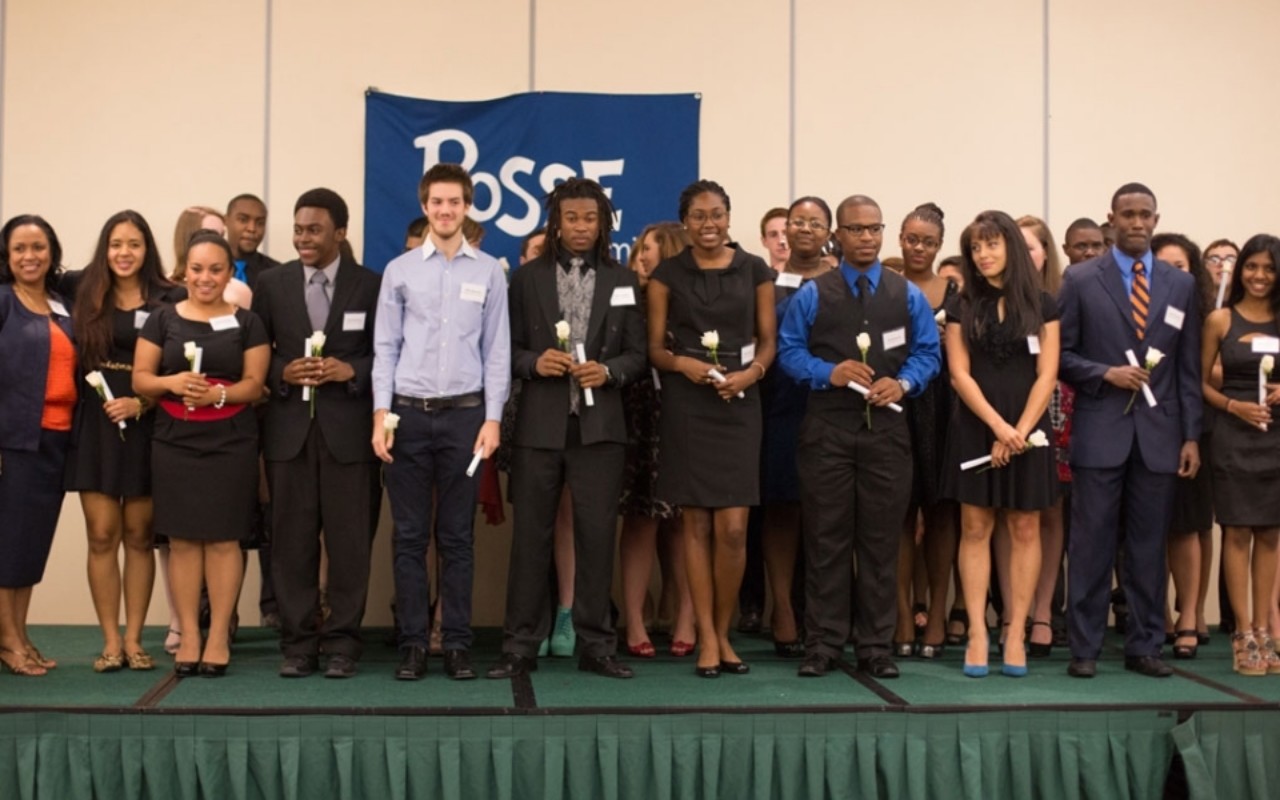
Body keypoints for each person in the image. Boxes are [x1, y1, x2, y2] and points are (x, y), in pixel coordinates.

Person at [778, 194, 941, 679]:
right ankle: (824, 644)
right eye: (855, 229)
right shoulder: (812, 293)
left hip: (888, 432)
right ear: (838, 236)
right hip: (826, 429)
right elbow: (787, 353)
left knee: (880, 541)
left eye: (873, 229)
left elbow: (929, 354)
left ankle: (875, 646)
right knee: (826, 539)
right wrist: (827, 371)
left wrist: (904, 381)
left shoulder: (906, 294)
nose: (866, 238)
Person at [488, 178, 643, 681]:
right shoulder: (525, 278)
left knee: (598, 537)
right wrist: (535, 363)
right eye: (571, 218)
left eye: (590, 218)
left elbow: (639, 355)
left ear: (604, 224)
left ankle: (597, 645)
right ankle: (519, 646)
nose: (580, 227)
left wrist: (611, 371)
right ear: (556, 221)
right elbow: (503, 351)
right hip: (539, 427)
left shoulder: (623, 280)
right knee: (529, 538)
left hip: (600, 428)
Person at [1058, 182, 1202, 679]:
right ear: (1110, 221)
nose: (1137, 223)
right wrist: (1104, 374)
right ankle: (1086, 648)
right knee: (1091, 545)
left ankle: (1145, 646)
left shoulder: (1180, 284)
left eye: (1145, 215)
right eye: (1128, 215)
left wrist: (1191, 436)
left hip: (1161, 436)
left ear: (1156, 221)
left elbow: (1187, 368)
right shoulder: (1079, 280)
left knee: (1147, 546)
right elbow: (1063, 357)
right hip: (1100, 431)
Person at [374, 164, 510, 681]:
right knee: (408, 536)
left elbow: (496, 350)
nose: (445, 210)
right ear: (425, 205)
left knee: (457, 538)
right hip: (407, 416)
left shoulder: (488, 273)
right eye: (436, 202)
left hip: (465, 419)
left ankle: (455, 643)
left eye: (454, 202)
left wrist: (492, 419)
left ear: (468, 206)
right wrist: (380, 416)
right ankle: (412, 643)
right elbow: (385, 348)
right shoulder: (400, 271)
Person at [647, 180, 776, 678]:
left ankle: (723, 631)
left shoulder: (755, 270)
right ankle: (705, 635)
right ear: (685, 222)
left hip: (741, 402)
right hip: (688, 403)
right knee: (695, 524)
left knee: (735, 527)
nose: (708, 224)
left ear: (728, 217)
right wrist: (684, 366)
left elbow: (768, 342)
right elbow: (655, 349)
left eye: (717, 214)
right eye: (698, 216)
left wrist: (751, 374)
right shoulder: (665, 275)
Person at [252, 189, 382, 679]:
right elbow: (257, 352)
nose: (303, 238)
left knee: (350, 545)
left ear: (341, 233)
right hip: (288, 435)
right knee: (291, 545)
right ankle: (300, 644)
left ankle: (345, 642)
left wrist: (352, 370)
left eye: (315, 230)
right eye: (299, 229)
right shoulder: (271, 283)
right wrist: (282, 372)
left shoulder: (370, 286)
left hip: (350, 436)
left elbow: (385, 353)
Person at [133, 231, 270, 677]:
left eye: (215, 269)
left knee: (225, 539)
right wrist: (172, 383)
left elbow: (254, 385)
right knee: (183, 540)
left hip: (231, 439)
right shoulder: (161, 319)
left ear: (230, 273)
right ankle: (189, 634)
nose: (205, 278)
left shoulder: (248, 322)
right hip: (174, 439)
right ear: (183, 271)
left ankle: (217, 637)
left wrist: (218, 395)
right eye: (197, 269)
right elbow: (141, 379)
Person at [941, 211, 1060, 678]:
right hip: (977, 423)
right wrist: (998, 428)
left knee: (1026, 528)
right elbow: (959, 374)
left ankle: (1015, 631)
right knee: (975, 528)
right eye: (975, 247)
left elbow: (1048, 373)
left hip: (1029, 428)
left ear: (1010, 245)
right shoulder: (962, 304)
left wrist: (1021, 431)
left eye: (992, 244)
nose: (983, 254)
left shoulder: (1044, 304)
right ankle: (976, 631)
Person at [64, 211, 183, 673]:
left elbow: (177, 363)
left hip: (146, 421)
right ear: (104, 248)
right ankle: (110, 641)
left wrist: (143, 403)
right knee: (100, 535)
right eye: (116, 244)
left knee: (138, 535)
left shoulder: (168, 298)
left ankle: (135, 640)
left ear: (146, 249)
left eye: (134, 244)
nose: (124, 253)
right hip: (94, 423)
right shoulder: (82, 290)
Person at [1200, 233, 1280, 676]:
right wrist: (1233, 405)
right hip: (1232, 434)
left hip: (1276, 436)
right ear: (1240, 270)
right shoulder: (1219, 320)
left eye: (1269, 268)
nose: (1260, 276)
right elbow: (1199, 384)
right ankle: (1244, 634)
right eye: (1252, 266)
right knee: (1236, 533)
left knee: (1270, 533)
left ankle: (1268, 633)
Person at [0, 215, 73, 677]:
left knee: (31, 545)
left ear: (52, 252)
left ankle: (19, 632)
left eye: (38, 247)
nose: (30, 257)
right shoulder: (3, 301)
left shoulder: (59, 303)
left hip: (56, 438)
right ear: (7, 257)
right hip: (14, 440)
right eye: (20, 249)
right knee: (9, 544)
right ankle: (7, 642)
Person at [618, 221, 695, 658]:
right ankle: (634, 621)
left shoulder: (689, 301)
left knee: (685, 521)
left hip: (683, 417)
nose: (643, 256)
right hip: (636, 417)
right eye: (640, 249)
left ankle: (686, 616)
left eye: (651, 249)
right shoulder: (628, 298)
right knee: (640, 520)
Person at [760, 197, 832, 657]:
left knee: (828, 514)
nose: (803, 229)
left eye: (815, 222)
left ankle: (824, 617)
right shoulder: (767, 283)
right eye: (797, 221)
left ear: (831, 231)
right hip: (780, 406)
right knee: (782, 507)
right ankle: (783, 608)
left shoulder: (846, 280)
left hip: (833, 406)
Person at [895, 203, 958, 659]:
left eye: (928, 241)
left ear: (940, 246)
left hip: (943, 411)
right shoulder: (885, 289)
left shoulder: (955, 293)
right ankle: (900, 615)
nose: (919, 247)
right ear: (900, 238)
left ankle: (937, 613)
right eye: (912, 238)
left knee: (941, 515)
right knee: (897, 515)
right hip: (894, 408)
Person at [1150, 233, 1215, 657]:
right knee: (1149, 529)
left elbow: (1198, 376)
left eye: (1180, 265)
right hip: (1146, 426)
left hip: (1190, 428)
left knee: (1186, 525)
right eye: (1163, 265)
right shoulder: (1139, 310)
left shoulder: (1205, 316)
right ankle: (1159, 616)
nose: (1172, 273)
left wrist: (1191, 433)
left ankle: (1189, 614)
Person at [1016, 215, 1068, 657]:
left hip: (1057, 410)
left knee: (1049, 511)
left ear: (1046, 253)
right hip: (999, 413)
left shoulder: (1062, 296)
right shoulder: (988, 299)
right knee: (1006, 511)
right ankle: (1014, 613)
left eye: (1030, 247)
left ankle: (1044, 611)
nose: (1022, 254)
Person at [225, 194, 281, 290]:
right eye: (243, 220)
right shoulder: (206, 269)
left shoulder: (277, 274)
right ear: (226, 220)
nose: (252, 228)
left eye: (260, 223)